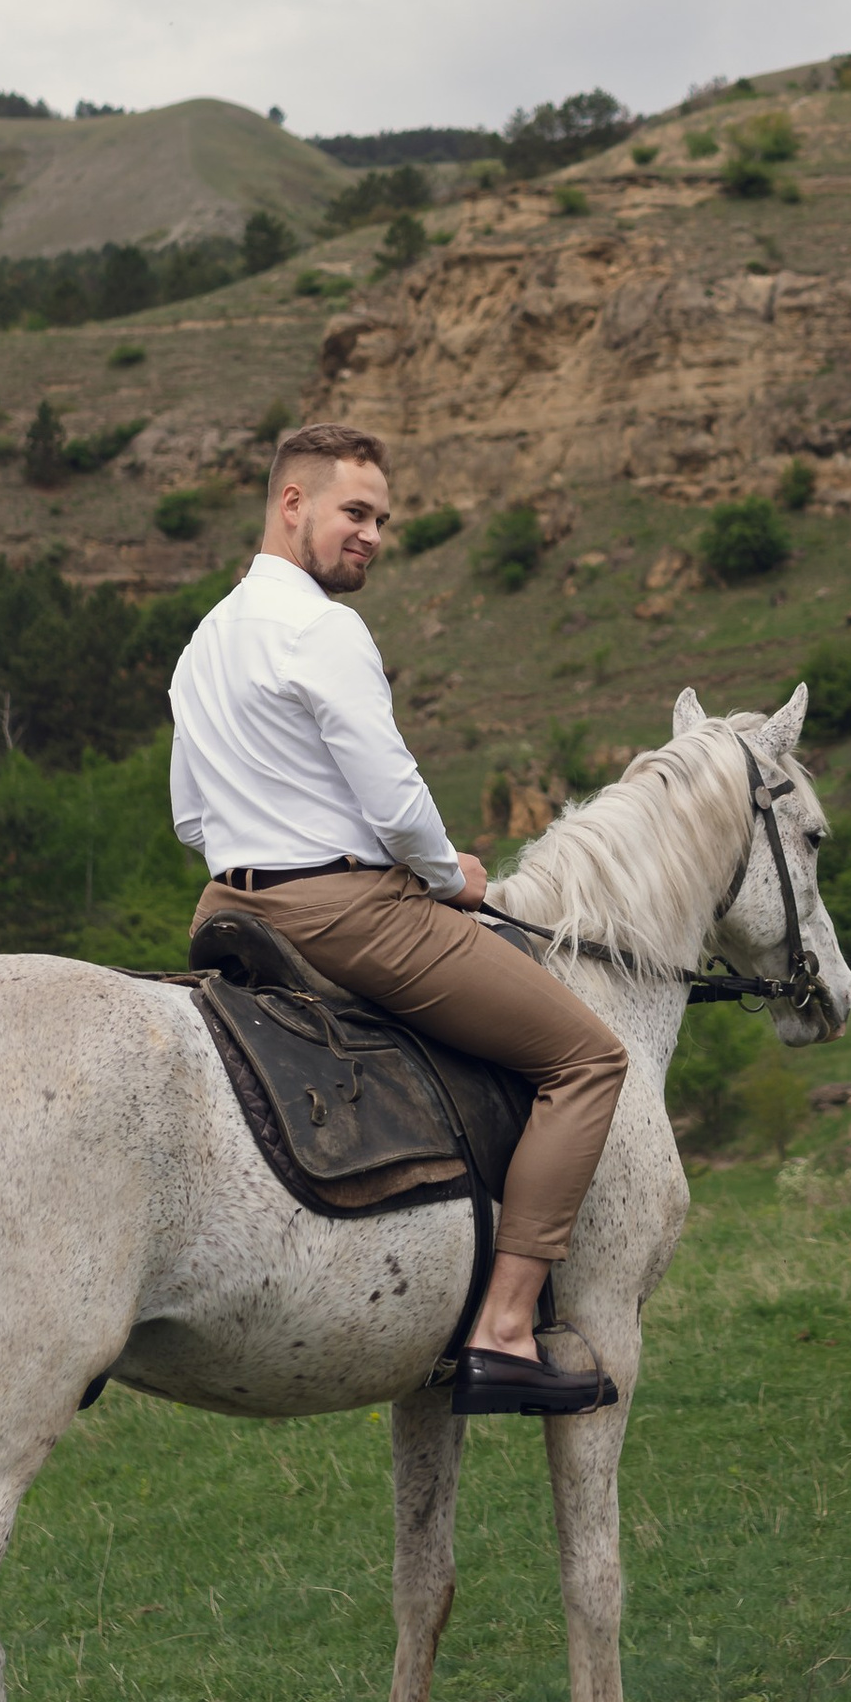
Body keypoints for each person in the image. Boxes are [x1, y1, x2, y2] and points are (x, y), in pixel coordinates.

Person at [169, 423, 625, 1415]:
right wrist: (446, 871)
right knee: (588, 1060)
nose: (372, 535)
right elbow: (392, 794)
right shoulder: (326, 631)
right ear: (293, 503)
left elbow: (189, 816)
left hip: (228, 902)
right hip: (345, 911)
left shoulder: (205, 640)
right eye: (355, 513)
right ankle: (505, 1329)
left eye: (381, 520)